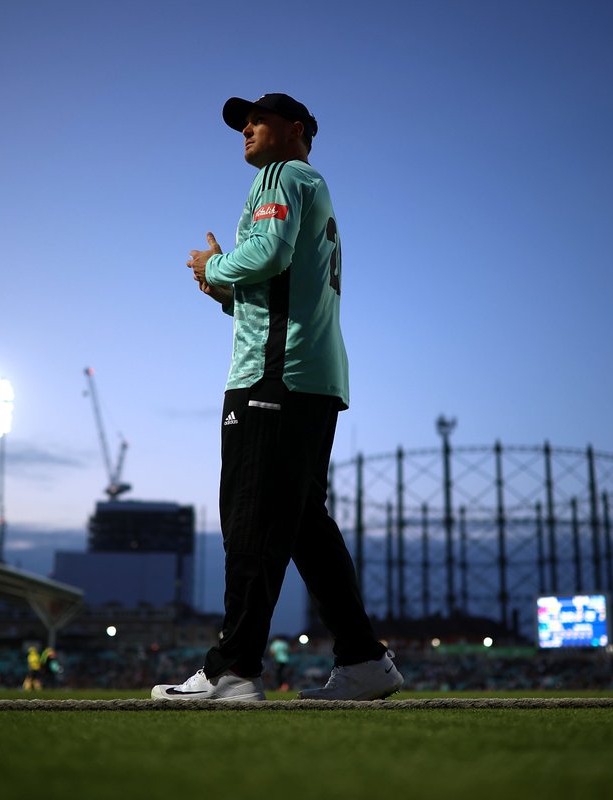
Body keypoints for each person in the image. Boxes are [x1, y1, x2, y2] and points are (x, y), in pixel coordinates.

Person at [152, 93, 402, 702]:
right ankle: (365, 661)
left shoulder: (283, 174)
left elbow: (265, 255)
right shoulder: (314, 187)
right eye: (242, 123)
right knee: (301, 527)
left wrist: (215, 265)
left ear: (295, 129)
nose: (245, 130)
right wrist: (223, 291)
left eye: (256, 120)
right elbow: (275, 288)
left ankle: (233, 670)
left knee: (250, 521)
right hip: (309, 377)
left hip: (274, 379)